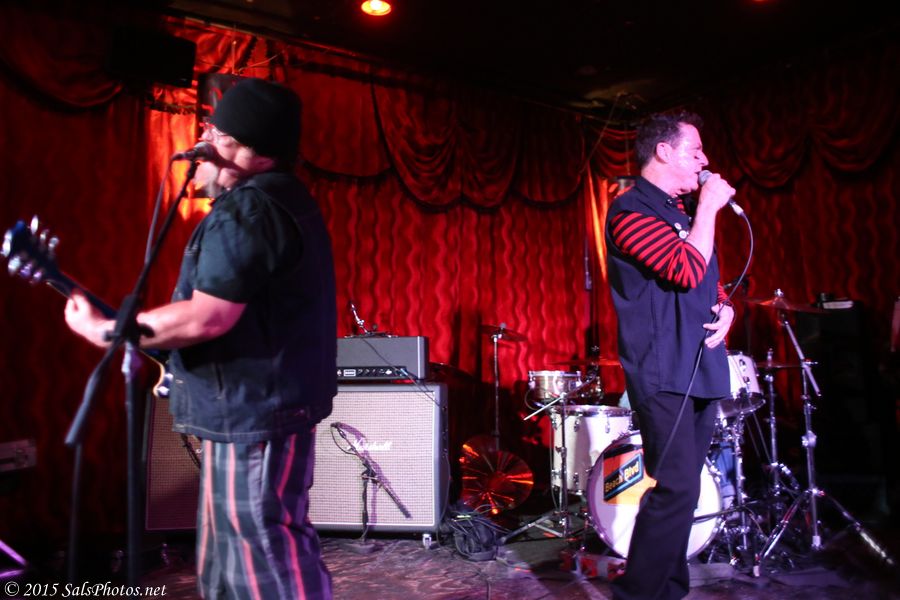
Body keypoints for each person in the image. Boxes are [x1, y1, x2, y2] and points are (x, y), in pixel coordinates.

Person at [64, 78, 337, 600]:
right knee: (227, 560)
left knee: (262, 552)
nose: (202, 141)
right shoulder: (279, 199)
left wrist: (107, 330)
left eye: (216, 133)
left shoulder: (250, 210)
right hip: (256, 408)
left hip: (253, 413)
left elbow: (208, 317)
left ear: (251, 152)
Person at [604, 111, 735, 600]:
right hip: (662, 368)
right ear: (663, 151)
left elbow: (706, 280)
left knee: (686, 488)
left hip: (700, 363)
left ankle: (670, 587)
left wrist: (725, 307)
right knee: (676, 486)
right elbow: (683, 269)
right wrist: (710, 208)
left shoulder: (682, 212)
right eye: (694, 150)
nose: (704, 160)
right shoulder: (629, 211)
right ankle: (637, 593)